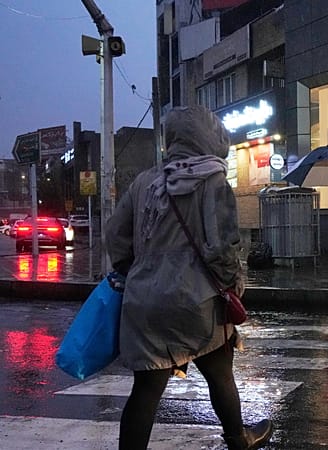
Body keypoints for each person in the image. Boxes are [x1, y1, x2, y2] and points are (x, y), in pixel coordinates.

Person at [105, 105, 273, 450]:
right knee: (219, 374)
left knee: (146, 390)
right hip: (196, 300)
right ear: (208, 135)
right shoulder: (211, 179)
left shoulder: (145, 182)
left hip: (145, 300)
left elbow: (115, 237)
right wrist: (233, 285)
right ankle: (238, 439)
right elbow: (222, 246)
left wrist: (139, 270)